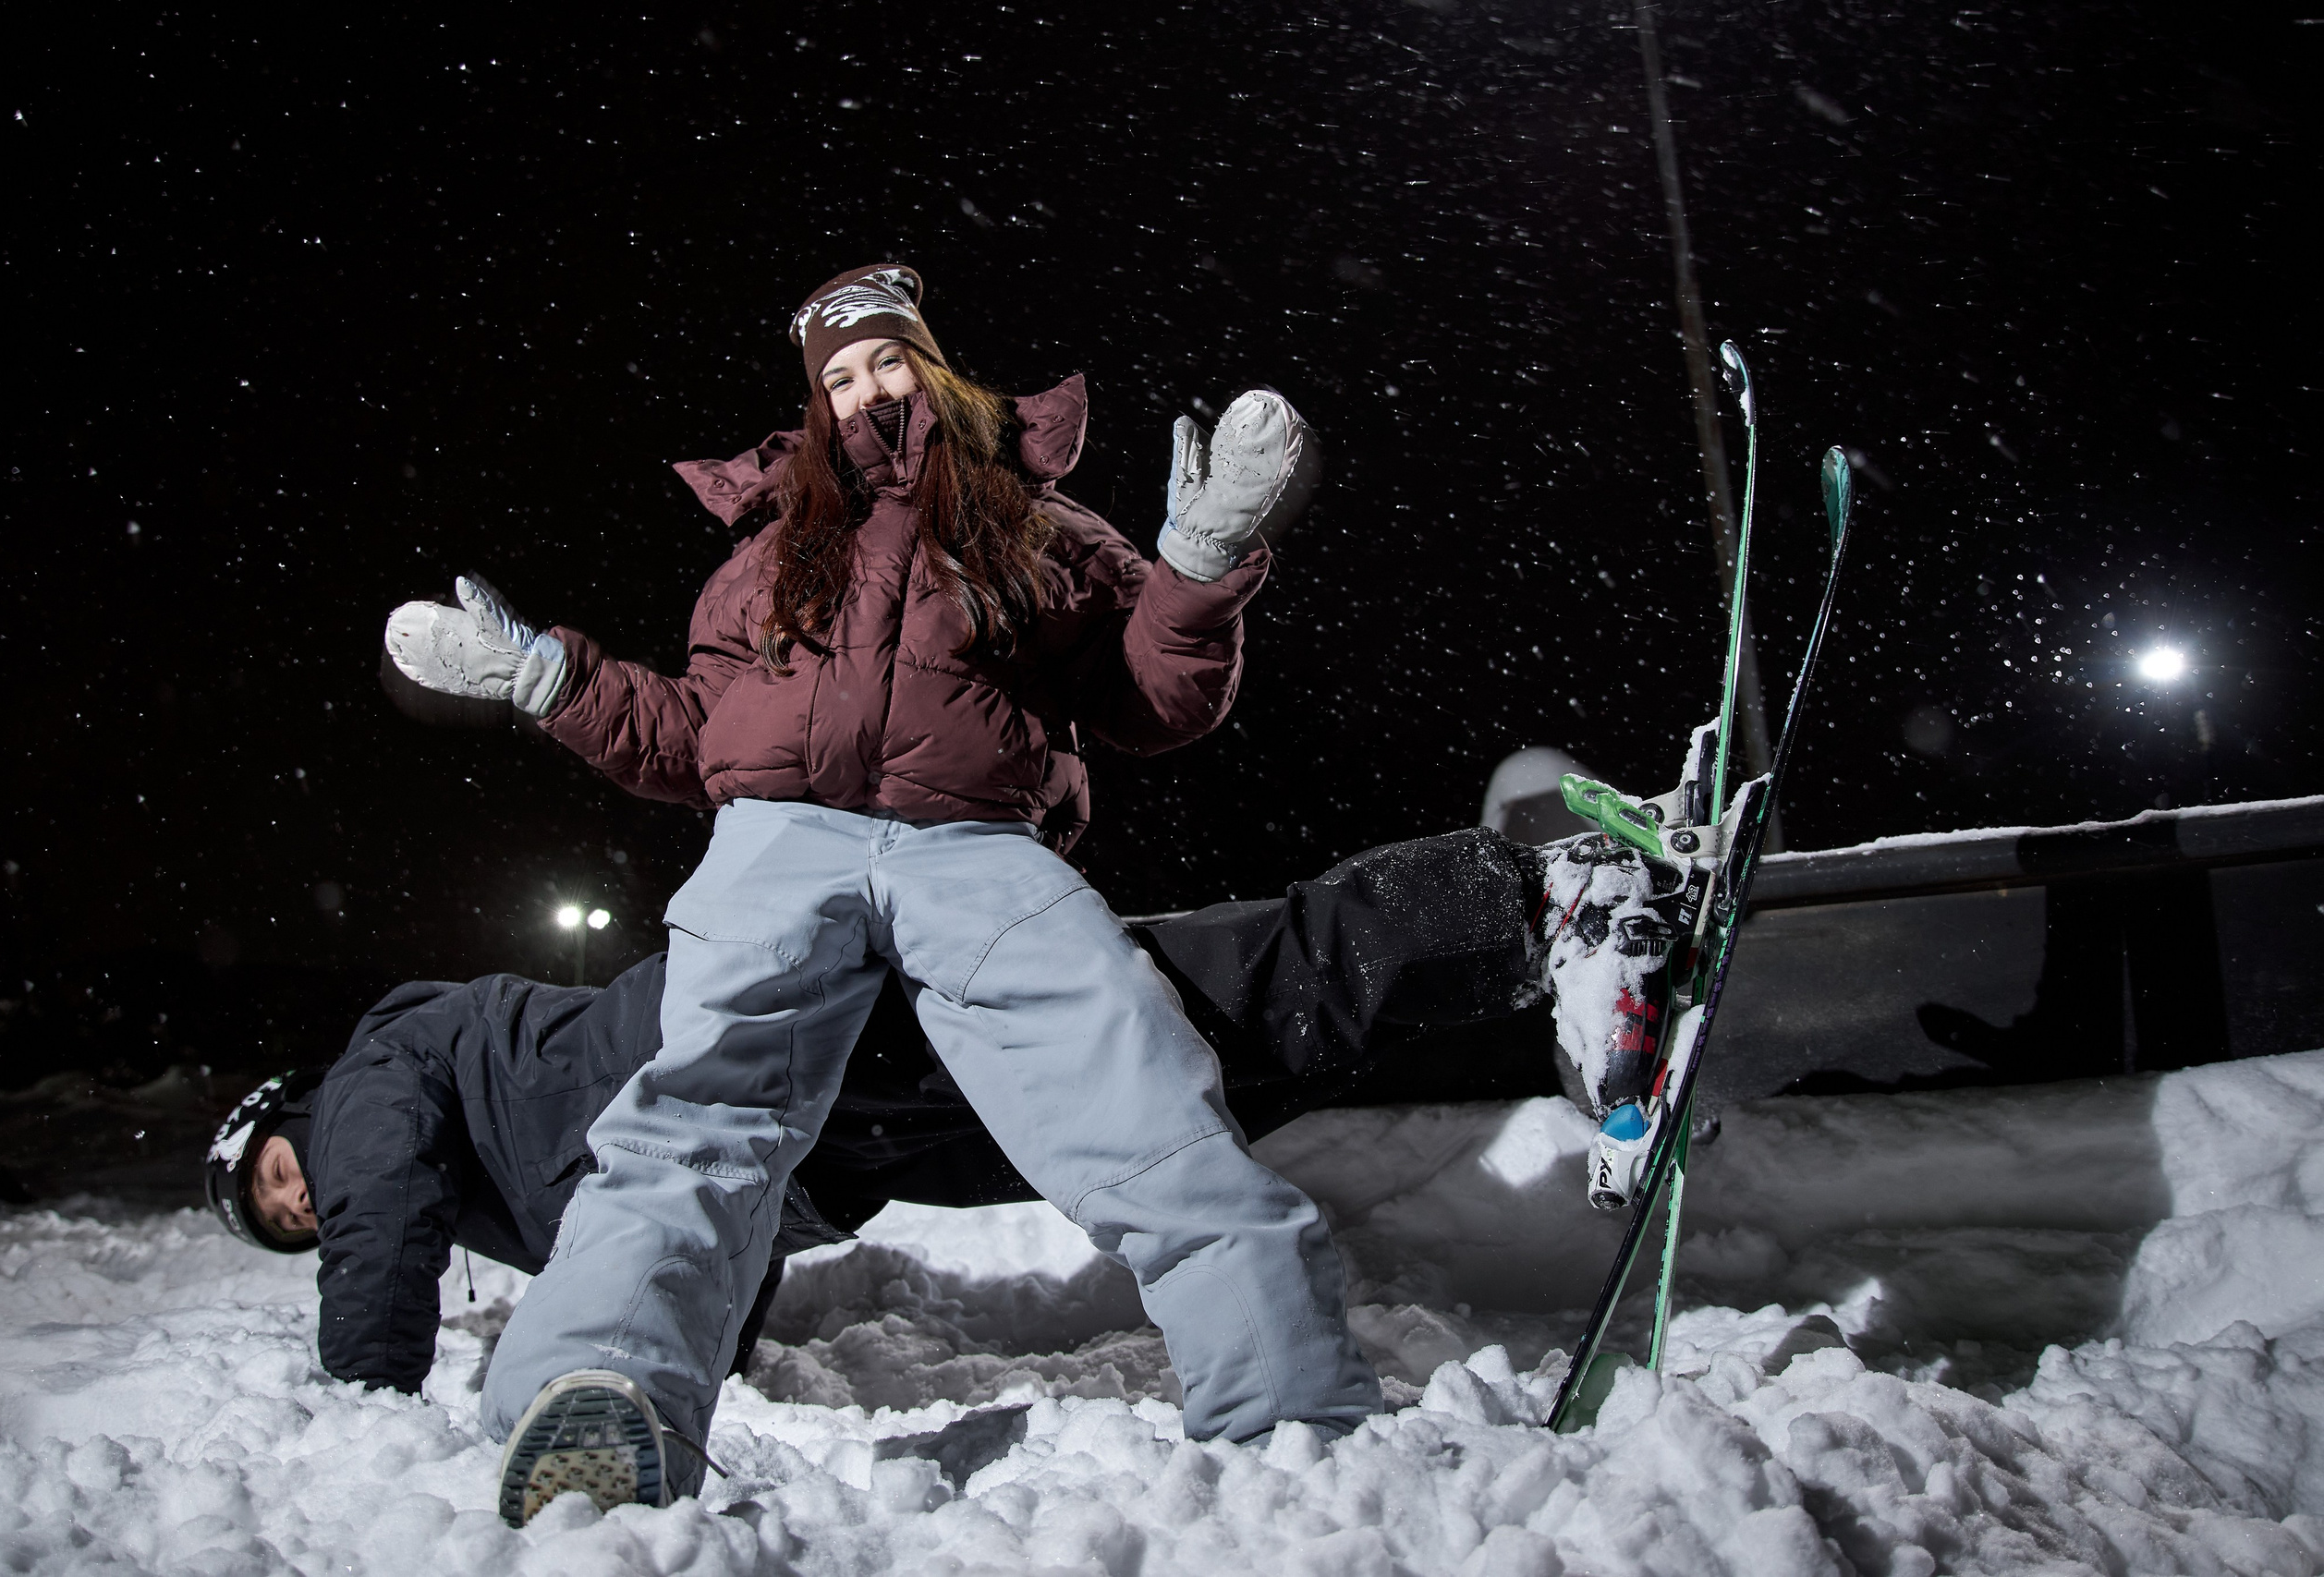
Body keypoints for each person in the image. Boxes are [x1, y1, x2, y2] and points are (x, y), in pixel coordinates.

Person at [382, 262, 1387, 1524]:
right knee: (695, 1119)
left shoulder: (1038, 524)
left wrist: (1200, 561)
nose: (866, 390)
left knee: (1137, 1091)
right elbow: (695, 734)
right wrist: (549, 681)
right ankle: (603, 1391)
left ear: (934, 365)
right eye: (838, 376)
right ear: (812, 404)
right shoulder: (766, 555)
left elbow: (1151, 700)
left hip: (976, 842)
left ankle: (1286, 1400)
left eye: (886, 361)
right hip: (775, 844)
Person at [205, 825, 1679, 1399]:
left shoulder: (371, 1082)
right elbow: (681, 1244)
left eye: (277, 1173)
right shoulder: (485, 1178)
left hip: (763, 1047)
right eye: (282, 1218)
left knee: (1156, 1019)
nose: (302, 1198)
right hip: (823, 1147)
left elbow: (379, 1222)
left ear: (291, 1116)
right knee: (1171, 1078)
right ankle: (1514, 961)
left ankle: (1528, 900)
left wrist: (367, 1400)